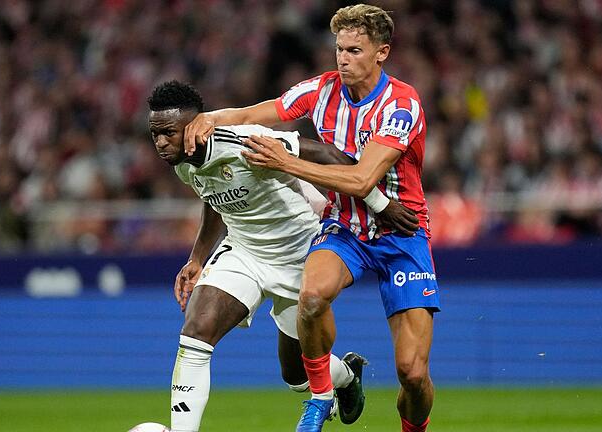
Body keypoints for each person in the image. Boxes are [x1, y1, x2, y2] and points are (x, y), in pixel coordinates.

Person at [182, 4, 440, 432]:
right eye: (339, 48)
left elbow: (360, 179)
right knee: (312, 296)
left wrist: (287, 161)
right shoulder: (321, 90)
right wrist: (207, 118)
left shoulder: (402, 103)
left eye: (355, 50)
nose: (343, 58)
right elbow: (252, 114)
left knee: (412, 374)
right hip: (345, 228)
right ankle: (321, 399)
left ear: (382, 52)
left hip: (401, 233)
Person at [147, 80, 420, 432]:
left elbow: (330, 156)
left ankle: (346, 376)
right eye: (154, 134)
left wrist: (379, 205)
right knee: (196, 331)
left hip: (299, 252)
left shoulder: (245, 141)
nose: (160, 143)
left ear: (195, 124)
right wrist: (198, 258)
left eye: (168, 133)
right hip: (244, 251)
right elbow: (213, 195)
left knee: (296, 375)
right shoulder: (182, 161)